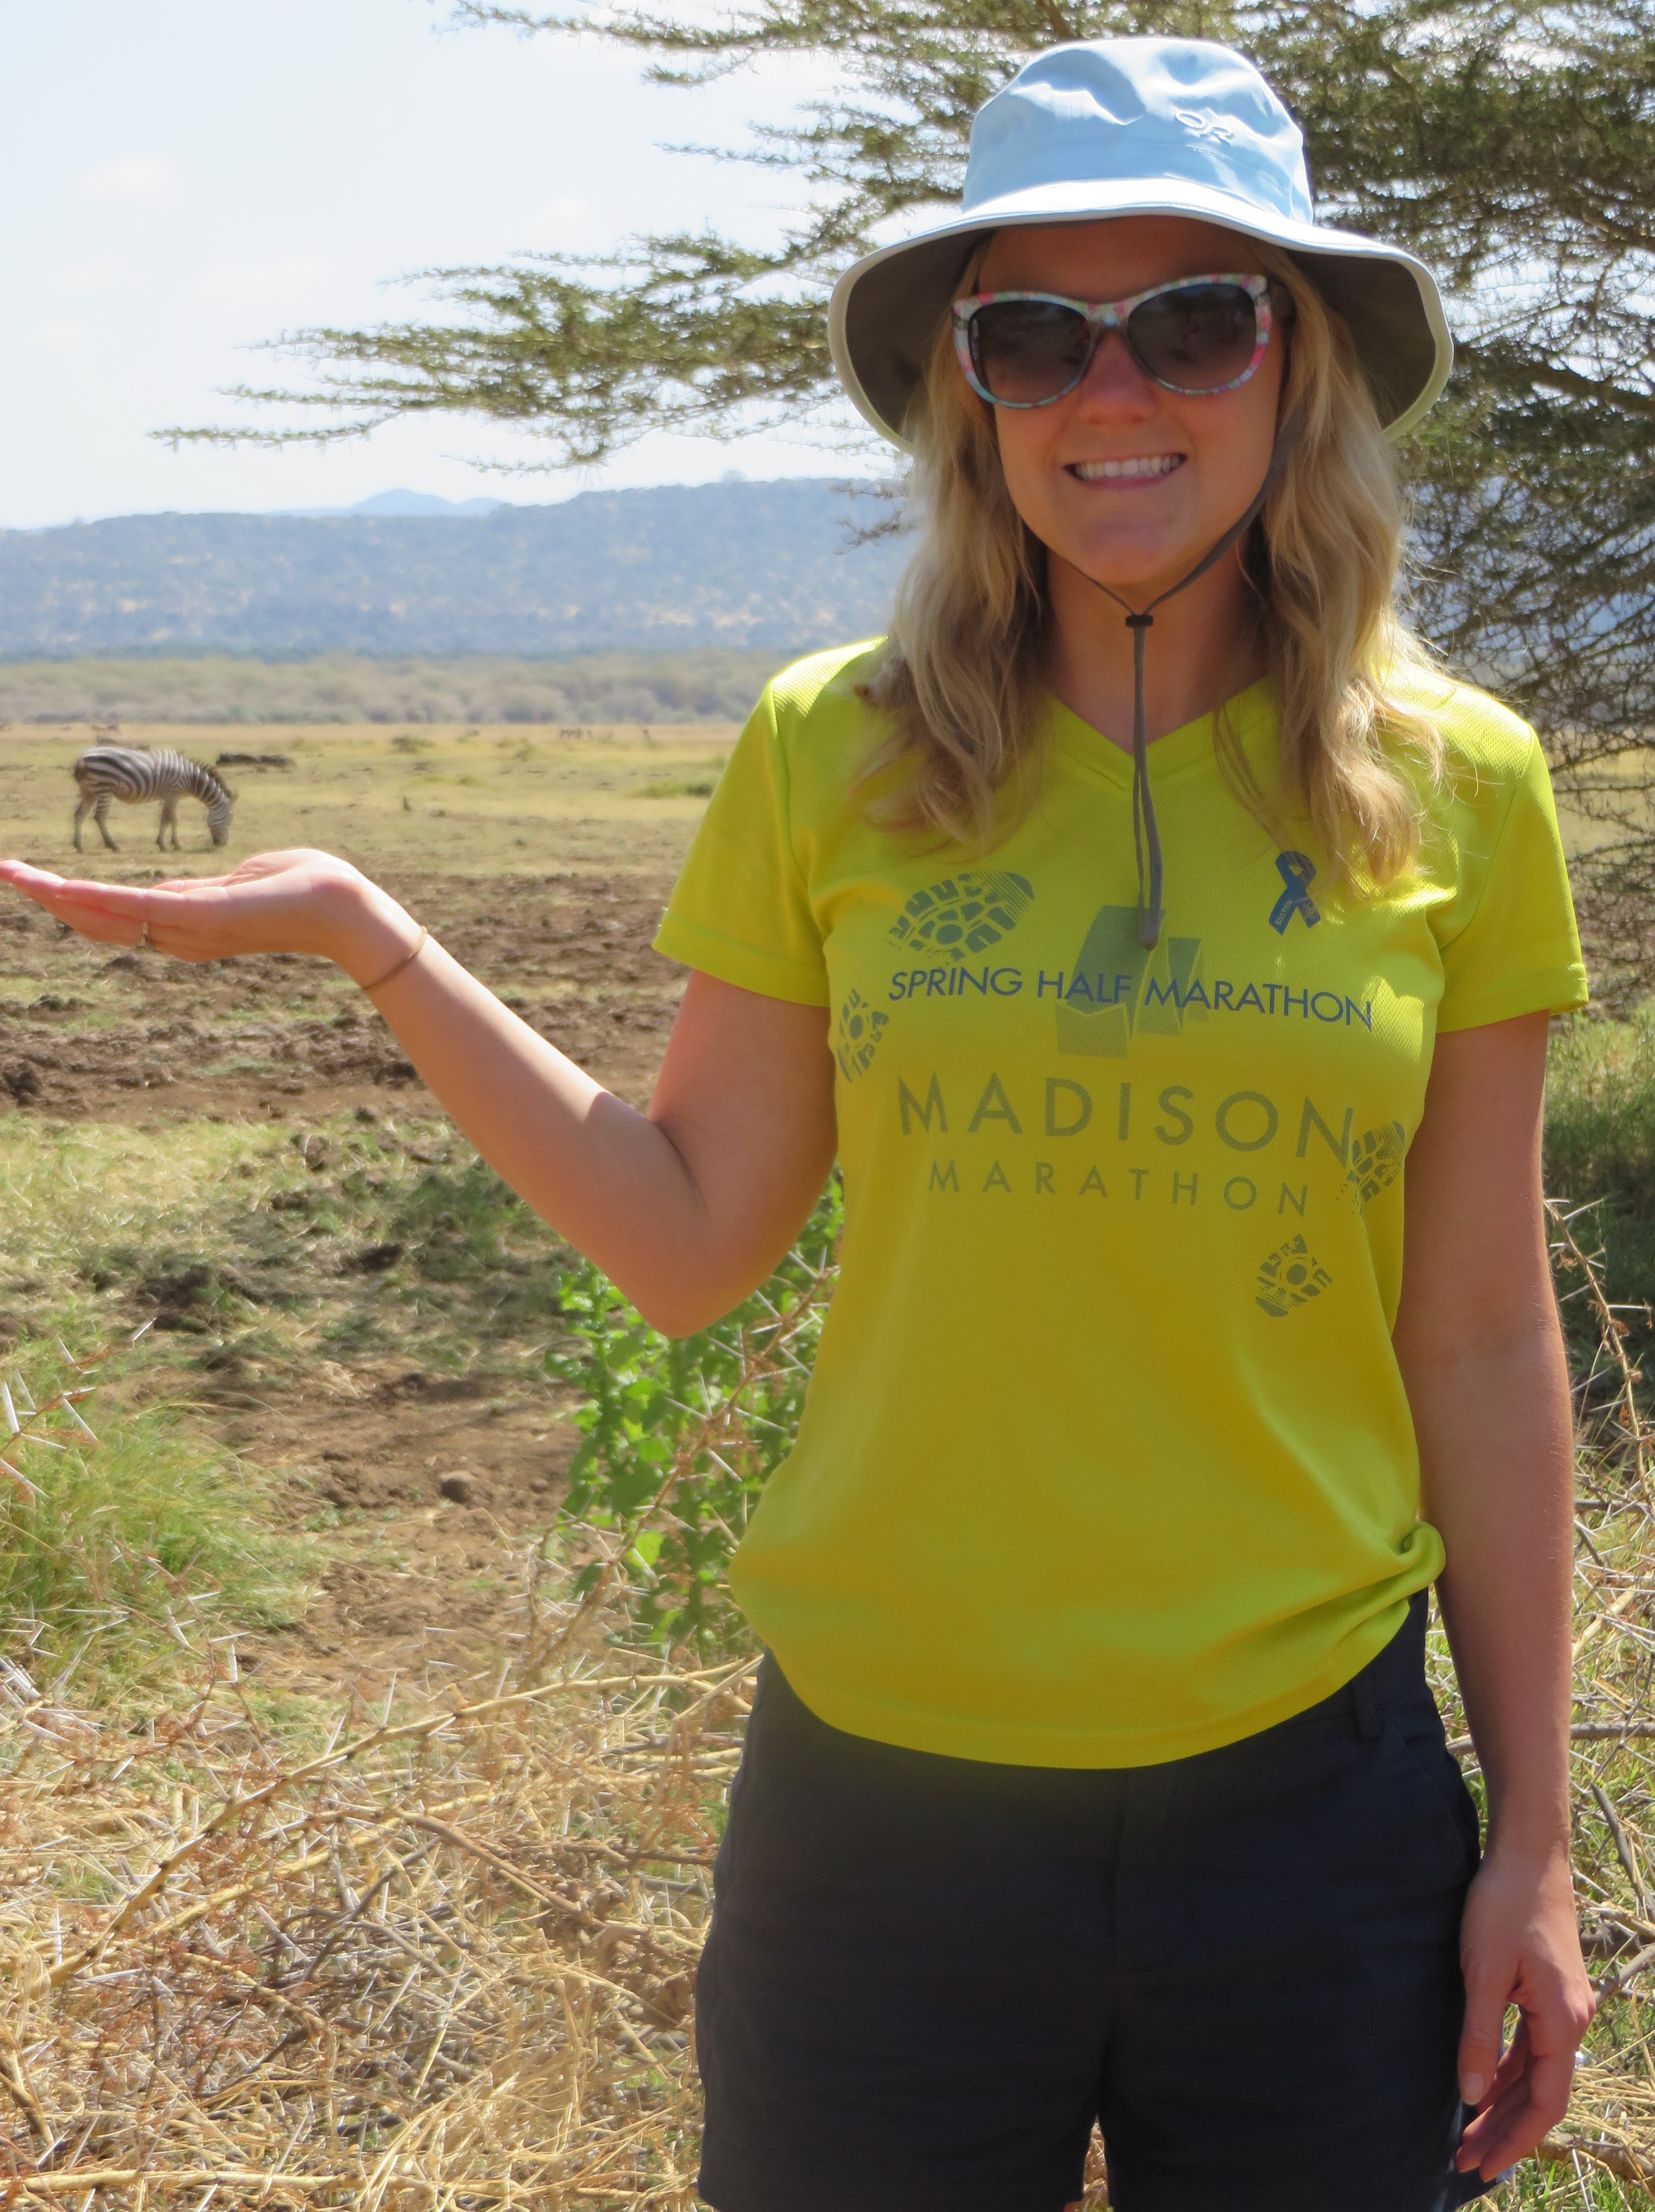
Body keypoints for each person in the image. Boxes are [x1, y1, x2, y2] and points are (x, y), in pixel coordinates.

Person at [0, 36, 1596, 2212]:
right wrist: (379, 940)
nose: (1110, 394)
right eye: (1035, 338)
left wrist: (1531, 1839)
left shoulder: (1461, 785)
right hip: (886, 1823)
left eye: (1192, 324)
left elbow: (1482, 1336)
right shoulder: (832, 752)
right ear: (970, 390)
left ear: (1295, 361)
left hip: (1313, 1808)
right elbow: (687, 1239)